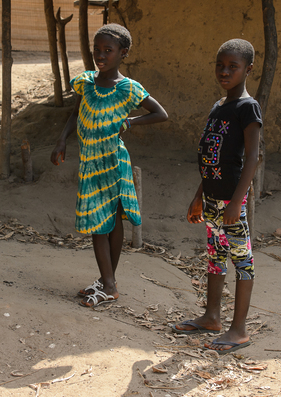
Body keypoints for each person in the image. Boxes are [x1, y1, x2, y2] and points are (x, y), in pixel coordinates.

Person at [51, 23, 168, 308]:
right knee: (105, 222)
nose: (100, 55)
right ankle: (107, 281)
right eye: (97, 50)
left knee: (103, 224)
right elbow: (76, 113)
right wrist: (62, 140)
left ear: (123, 53)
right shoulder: (86, 82)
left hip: (113, 163)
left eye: (108, 50)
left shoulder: (128, 89)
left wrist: (130, 122)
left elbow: (160, 113)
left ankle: (110, 285)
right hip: (90, 162)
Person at [173, 39, 262, 354]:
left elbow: (252, 158)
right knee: (215, 259)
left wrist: (237, 203)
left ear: (248, 69)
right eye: (220, 65)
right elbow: (211, 158)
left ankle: (238, 330)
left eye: (233, 67)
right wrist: (200, 194)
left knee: (242, 262)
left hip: (230, 203)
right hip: (211, 200)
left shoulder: (247, 107)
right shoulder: (218, 106)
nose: (225, 72)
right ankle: (212, 317)